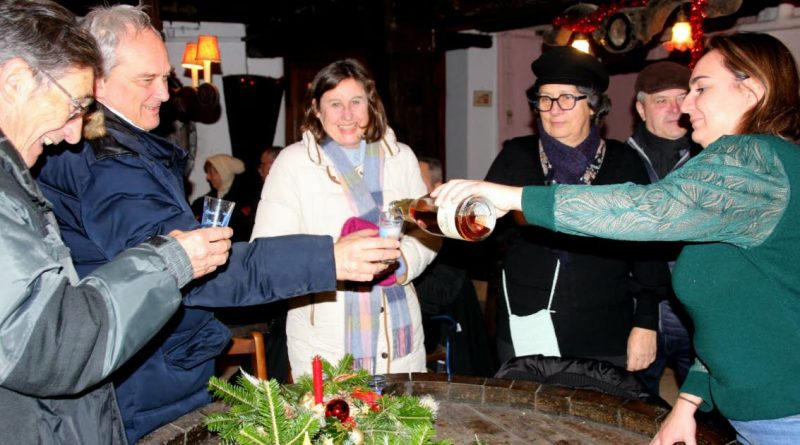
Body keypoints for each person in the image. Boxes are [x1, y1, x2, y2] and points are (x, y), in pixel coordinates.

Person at [36, 6, 400, 443]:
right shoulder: (111, 166)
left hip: (149, 365)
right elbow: (196, 268)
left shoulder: (121, 150)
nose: (166, 94)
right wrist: (327, 257)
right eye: (145, 80)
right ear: (96, 80)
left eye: (165, 77)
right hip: (141, 379)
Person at [432, 33, 800, 444]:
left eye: (700, 88)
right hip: (755, 410)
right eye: (545, 99)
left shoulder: (754, 163)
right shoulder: (743, 175)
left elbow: (648, 211)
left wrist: (512, 196)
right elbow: (732, 311)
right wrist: (688, 402)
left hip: (786, 413)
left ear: (752, 90)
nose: (685, 105)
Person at [0, 1, 232, 443]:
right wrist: (170, 261)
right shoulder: (101, 163)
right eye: (73, 105)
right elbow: (53, 343)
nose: (73, 134)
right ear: (14, 82)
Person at [251, 59, 440, 379]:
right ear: (316, 109)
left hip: (398, 333)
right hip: (325, 337)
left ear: (371, 103)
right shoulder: (293, 163)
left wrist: (402, 262)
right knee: (333, 427)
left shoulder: (401, 157)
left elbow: (429, 231)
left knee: (403, 425)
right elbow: (267, 253)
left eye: (356, 102)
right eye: (335, 104)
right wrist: (335, 257)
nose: (347, 114)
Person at [484, 46, 669, 371]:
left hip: (603, 328)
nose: (554, 109)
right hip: (527, 325)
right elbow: (487, 236)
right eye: (544, 99)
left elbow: (647, 250)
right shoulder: (515, 156)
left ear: (593, 106)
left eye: (566, 98)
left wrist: (646, 322)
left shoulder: (623, 163)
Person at [627, 60, 698, 396]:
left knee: (706, 414)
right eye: (661, 100)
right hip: (640, 312)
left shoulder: (711, 160)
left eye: (682, 97)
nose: (675, 109)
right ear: (641, 109)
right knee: (637, 407)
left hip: (698, 313)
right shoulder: (618, 162)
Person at [413, 156, 496, 376]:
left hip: (439, 332)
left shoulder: (453, 228)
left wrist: (402, 273)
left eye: (417, 182)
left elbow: (442, 294)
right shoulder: (407, 222)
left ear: (436, 188)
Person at [191, 154, 256, 241]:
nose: (208, 177)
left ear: (223, 172)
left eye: (211, 173)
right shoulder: (206, 199)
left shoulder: (244, 198)